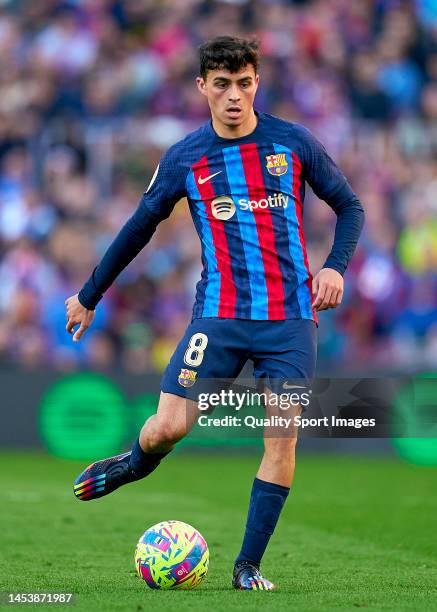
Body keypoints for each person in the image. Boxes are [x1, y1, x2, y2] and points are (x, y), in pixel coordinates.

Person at [66, 36, 364, 590]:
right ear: (202, 86)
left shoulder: (293, 143)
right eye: (222, 85)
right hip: (219, 317)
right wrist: (89, 295)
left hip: (289, 321)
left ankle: (247, 568)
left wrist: (336, 267)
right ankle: (132, 463)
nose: (234, 96)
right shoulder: (185, 156)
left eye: (244, 83)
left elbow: (349, 205)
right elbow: (138, 229)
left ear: (257, 83)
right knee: (167, 429)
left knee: (282, 437)